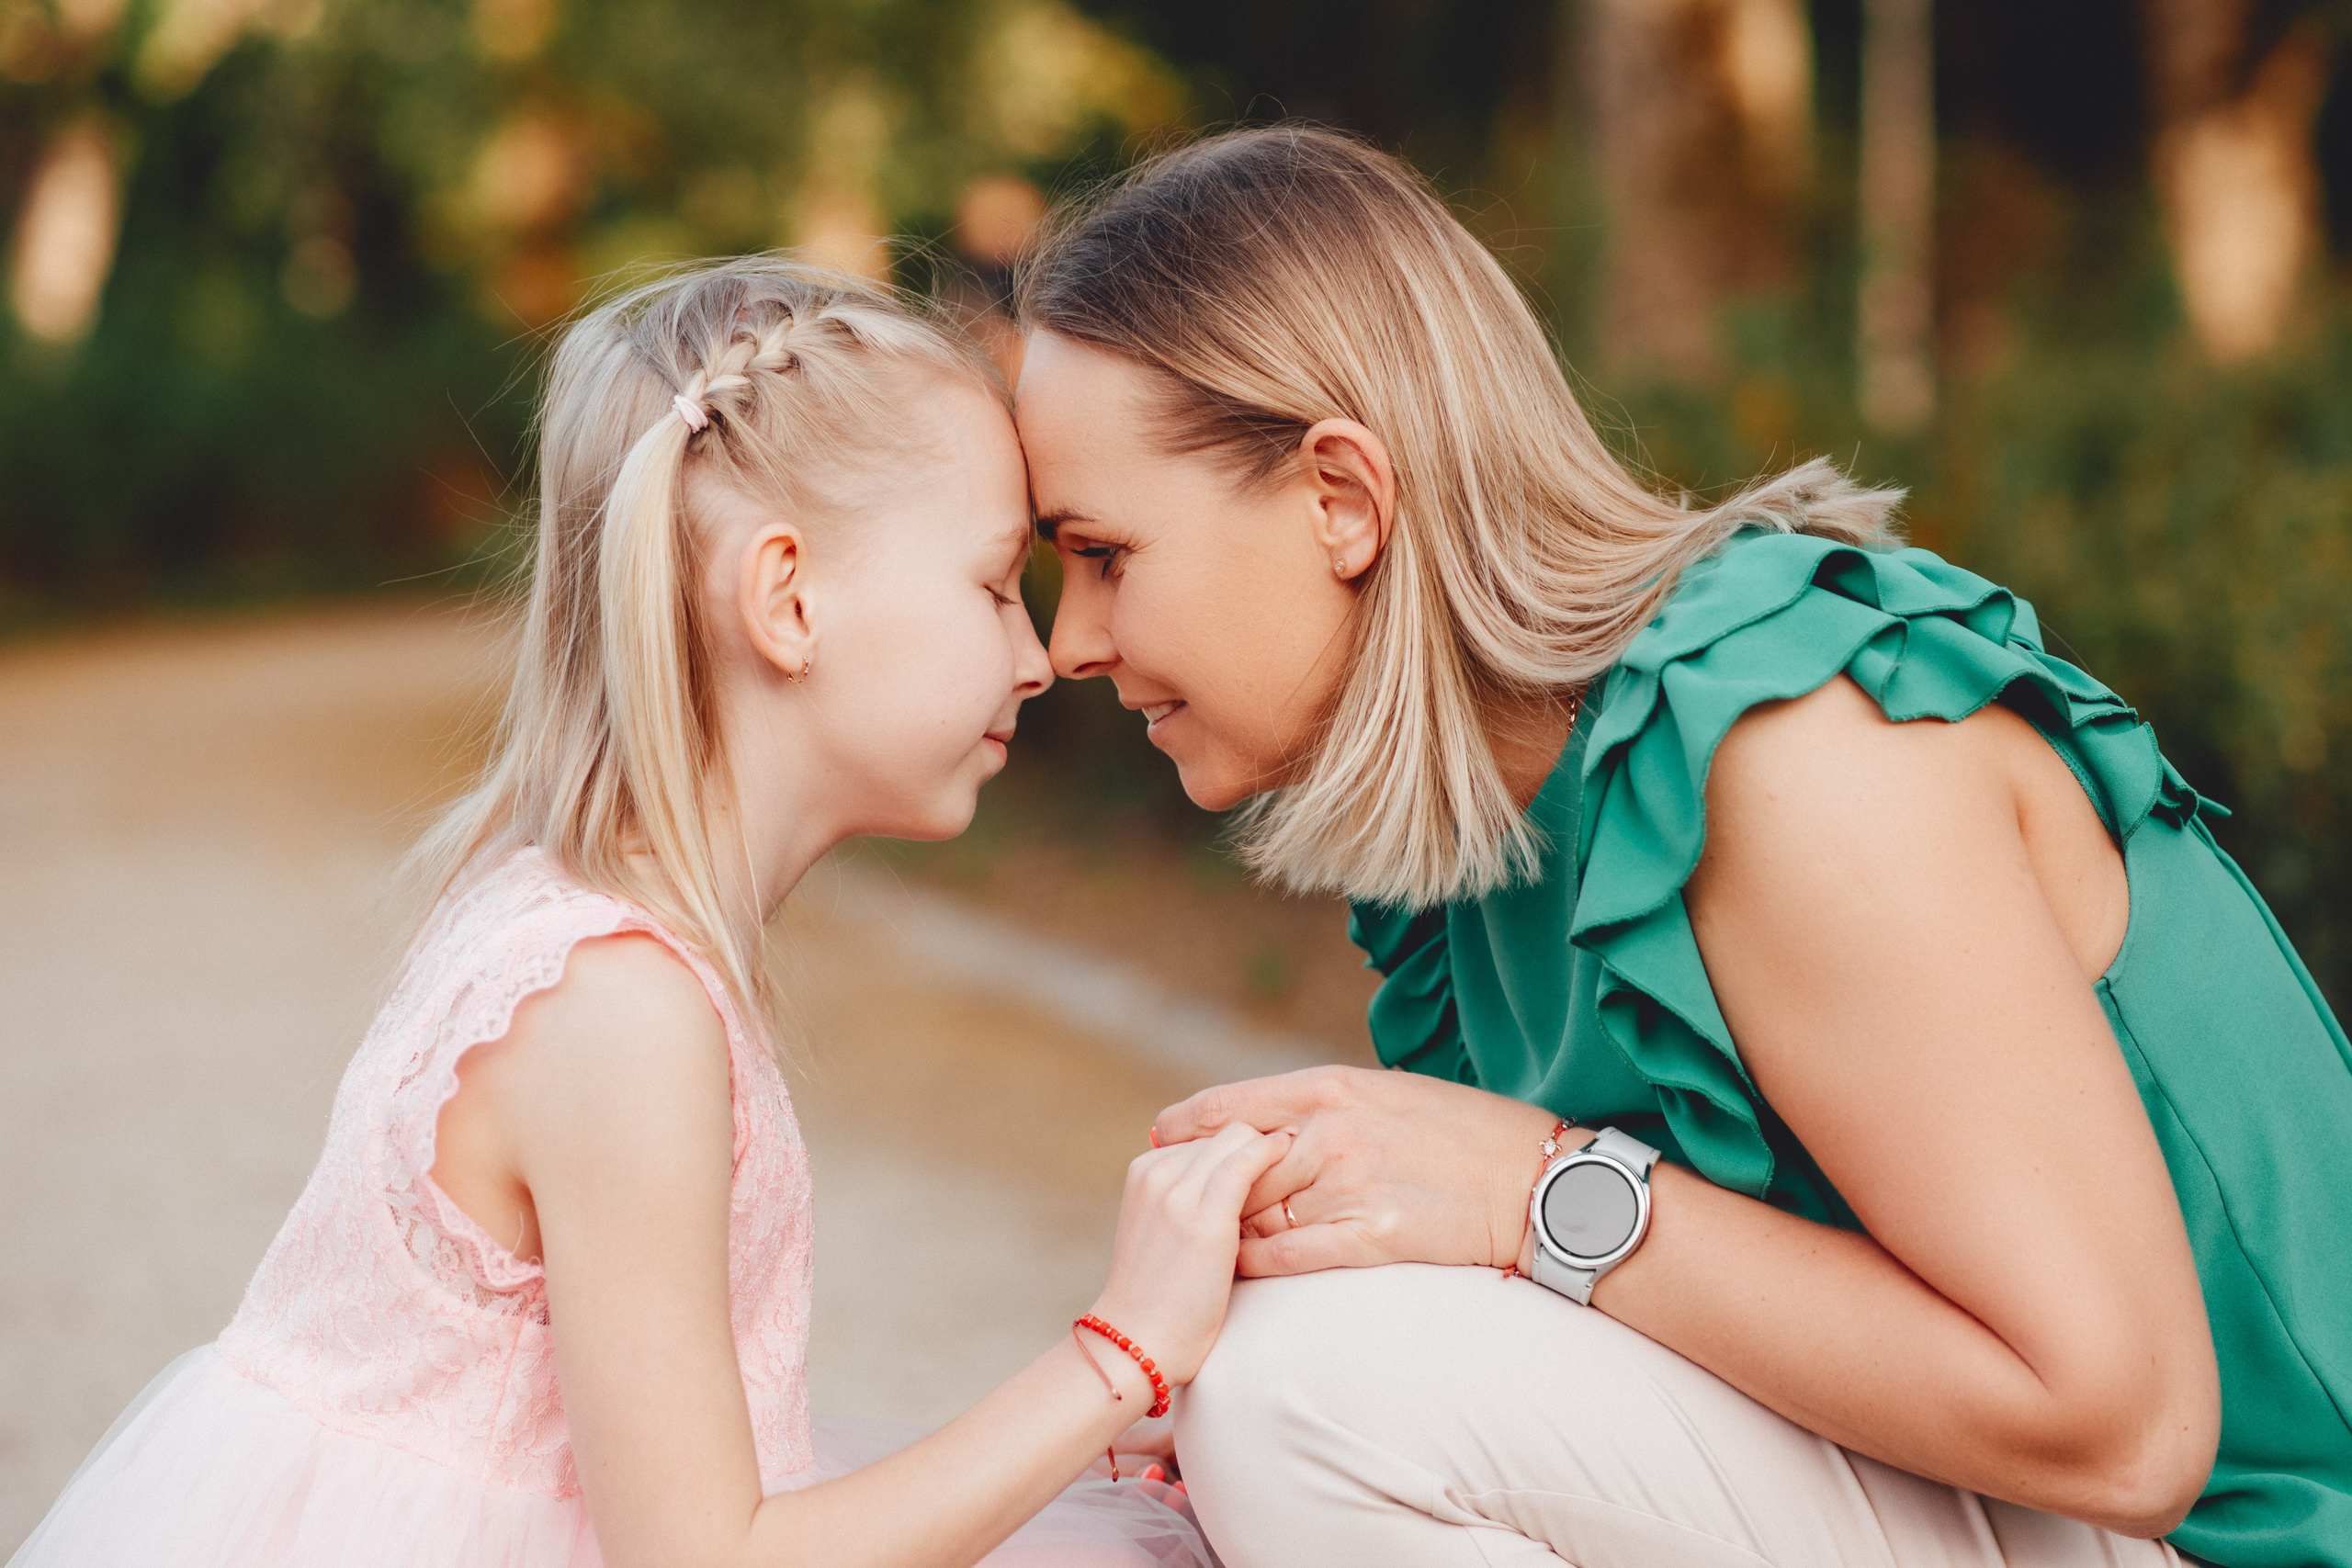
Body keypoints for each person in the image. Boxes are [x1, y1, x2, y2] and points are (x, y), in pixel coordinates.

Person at [1012, 126, 2352, 1568]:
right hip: (2024, 1515)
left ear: (1341, 497)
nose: (1067, 644)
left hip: (2236, 1537)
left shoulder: (1793, 748)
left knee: (1306, 1388)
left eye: (1102, 556)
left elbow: (2127, 1432)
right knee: (1167, 1466)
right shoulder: (1497, 840)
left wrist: (1534, 1190)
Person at [9, 258, 1285, 1568]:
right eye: (985, 585)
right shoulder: (618, 1008)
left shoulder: (575, 920)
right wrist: (1119, 1355)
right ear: (788, 601)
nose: (1037, 655)